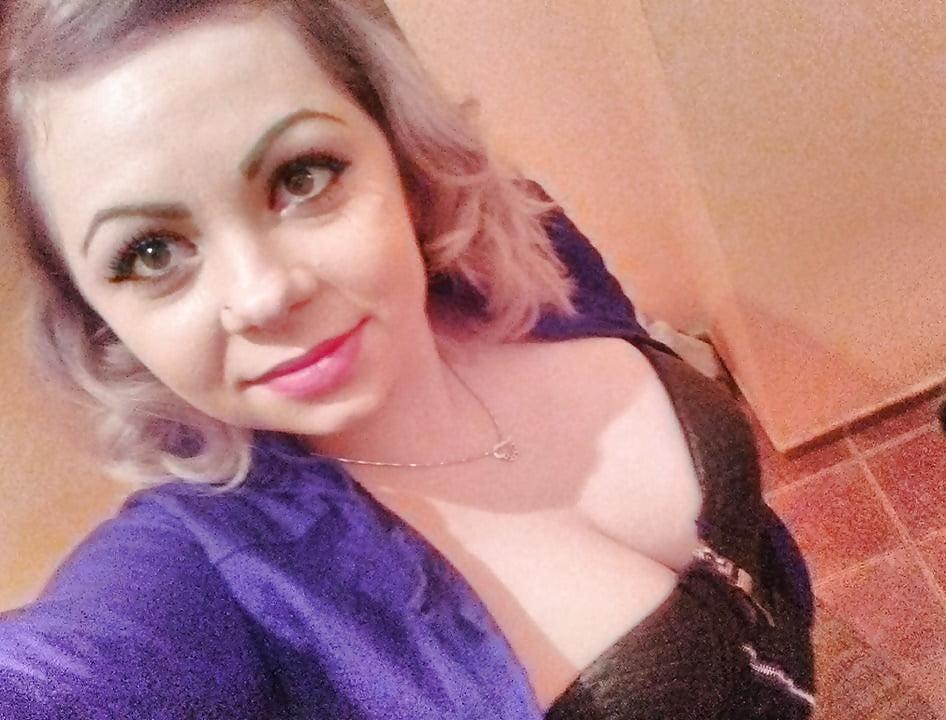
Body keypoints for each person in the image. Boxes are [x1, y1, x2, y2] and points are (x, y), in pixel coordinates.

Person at [0, 1, 815, 717]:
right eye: (150, 253)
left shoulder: (521, 249)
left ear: (397, 150)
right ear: (96, 319)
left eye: (302, 175)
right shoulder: (210, 570)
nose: (263, 294)